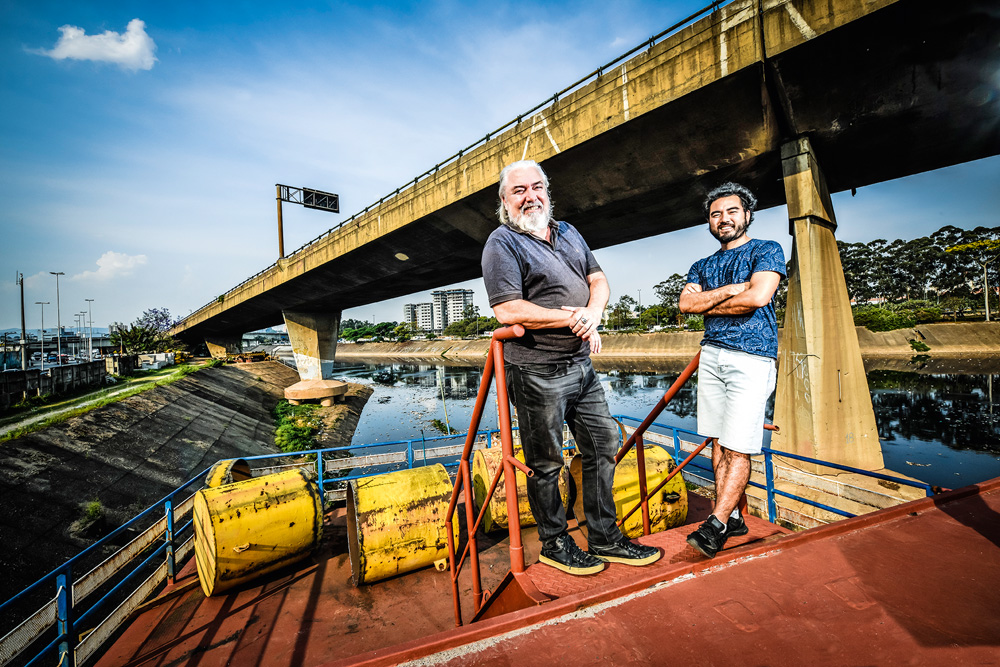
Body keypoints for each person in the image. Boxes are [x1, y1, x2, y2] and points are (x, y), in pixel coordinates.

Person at [481, 159, 660, 575]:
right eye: (519, 191)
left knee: (603, 447)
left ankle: (604, 537)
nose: (530, 196)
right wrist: (573, 318)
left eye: (536, 187)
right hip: (537, 370)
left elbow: (599, 281)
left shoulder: (569, 232)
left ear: (548, 191)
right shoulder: (502, 242)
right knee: (545, 463)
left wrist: (592, 315)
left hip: (581, 366)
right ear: (504, 201)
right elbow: (507, 309)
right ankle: (554, 542)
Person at [679, 182, 785, 559]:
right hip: (712, 356)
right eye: (715, 214)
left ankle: (716, 524)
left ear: (747, 215)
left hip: (751, 358)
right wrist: (731, 291)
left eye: (731, 212)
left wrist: (708, 302)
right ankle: (733, 517)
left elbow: (758, 297)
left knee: (739, 445)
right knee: (719, 442)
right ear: (709, 221)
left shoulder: (766, 249)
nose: (724, 219)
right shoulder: (703, 265)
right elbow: (686, 305)